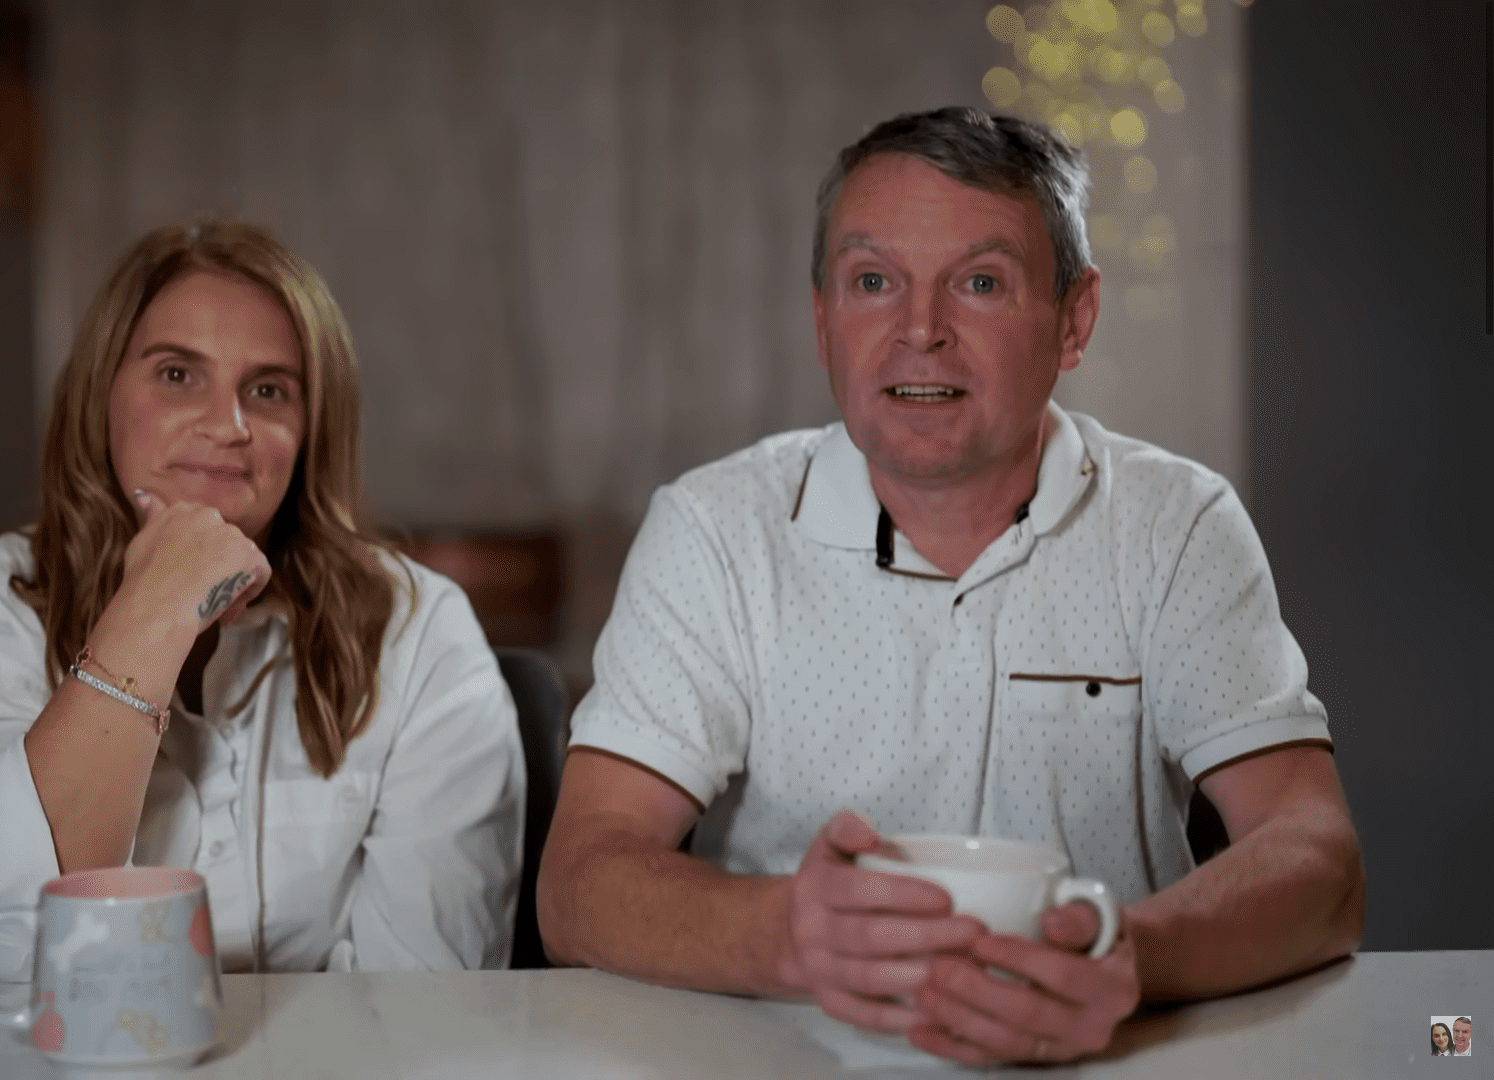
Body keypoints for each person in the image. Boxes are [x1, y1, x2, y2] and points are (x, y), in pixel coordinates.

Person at [537, 107, 1366, 1066]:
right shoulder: (716, 532)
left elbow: (1318, 858)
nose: (919, 331)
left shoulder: (1174, 524)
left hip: (1105, 1052)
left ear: (1075, 319)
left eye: (979, 283)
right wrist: (787, 936)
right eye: (873, 282)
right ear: (823, 320)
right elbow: (579, 881)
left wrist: (1130, 956)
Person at [0, 220, 525, 980]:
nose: (227, 426)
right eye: (178, 374)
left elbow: (422, 1001)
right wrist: (155, 612)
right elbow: (4, 939)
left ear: (312, 430)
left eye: (268, 389)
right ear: (102, 395)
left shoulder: (420, 632)